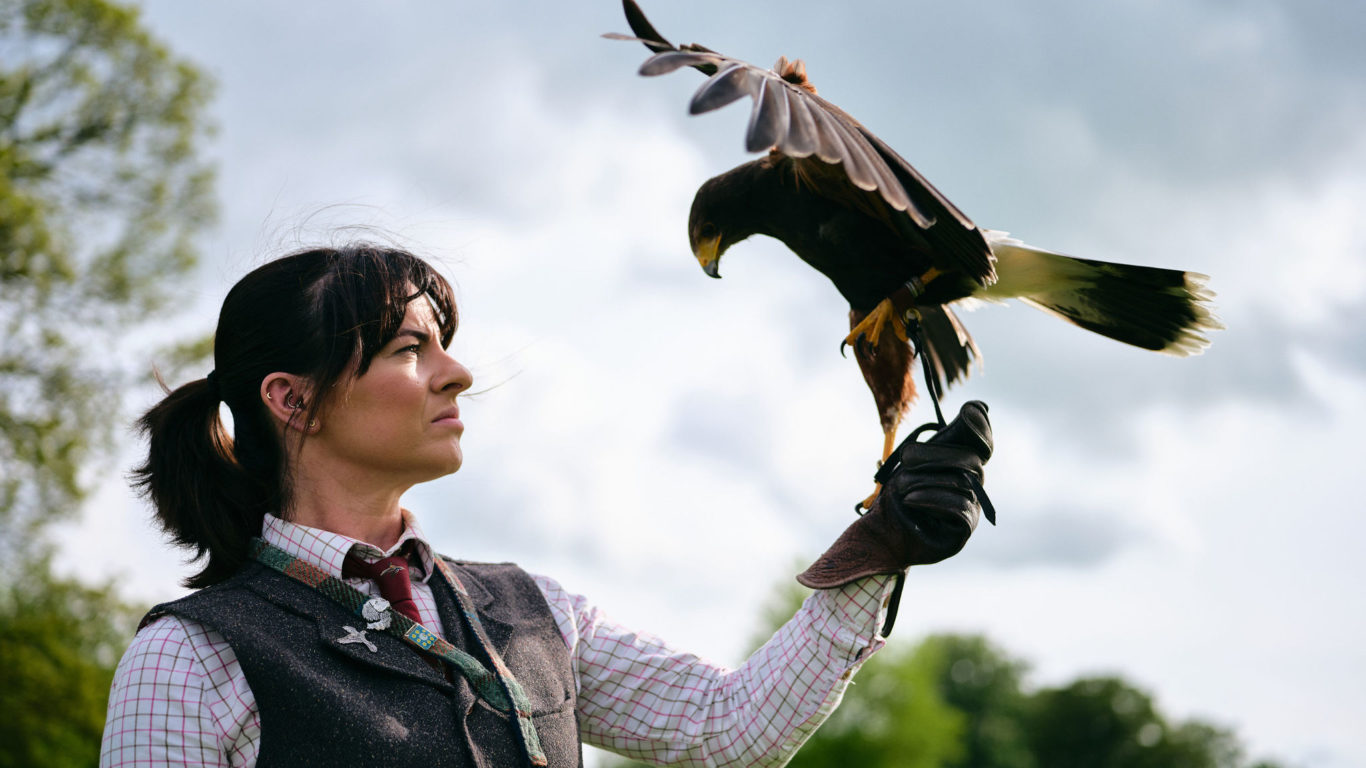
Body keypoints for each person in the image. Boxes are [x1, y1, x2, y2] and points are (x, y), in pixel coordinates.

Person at [100, 244, 993, 767]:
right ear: (292, 400)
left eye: (445, 343)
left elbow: (729, 728)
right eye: (411, 348)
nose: (457, 371)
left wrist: (881, 542)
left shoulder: (534, 614)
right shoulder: (194, 657)